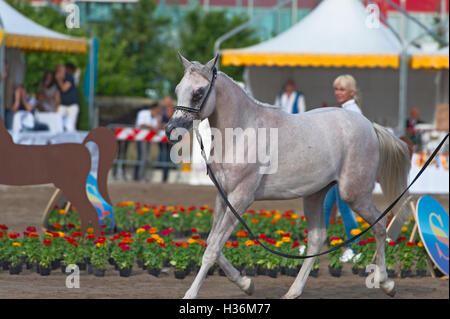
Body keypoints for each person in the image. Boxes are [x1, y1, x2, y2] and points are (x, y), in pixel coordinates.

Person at [323, 74, 362, 263]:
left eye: (342, 89)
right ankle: (314, 242)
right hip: (337, 168)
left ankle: (356, 247)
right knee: (325, 206)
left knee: (344, 208)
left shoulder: (352, 112)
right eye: (336, 89)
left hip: (345, 169)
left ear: (352, 92)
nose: (338, 93)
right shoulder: (345, 110)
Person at [134, 102, 163, 181]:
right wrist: (152, 127)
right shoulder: (143, 113)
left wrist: (157, 117)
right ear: (154, 108)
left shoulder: (158, 116)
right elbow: (141, 124)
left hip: (148, 139)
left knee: (146, 157)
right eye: (159, 108)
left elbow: (159, 126)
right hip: (140, 138)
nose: (160, 110)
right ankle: (139, 177)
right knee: (142, 157)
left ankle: (141, 176)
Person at [55, 64, 79, 132]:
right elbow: (57, 94)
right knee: (59, 125)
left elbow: (64, 88)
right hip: (62, 105)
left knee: (71, 126)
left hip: (72, 106)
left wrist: (59, 80)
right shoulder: (58, 81)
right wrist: (56, 106)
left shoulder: (69, 77)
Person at [159, 96, 175, 182]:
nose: (167, 103)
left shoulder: (174, 110)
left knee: (167, 156)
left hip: (171, 138)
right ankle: (164, 175)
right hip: (162, 138)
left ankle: (166, 176)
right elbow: (159, 123)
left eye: (169, 101)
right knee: (163, 155)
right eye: (166, 101)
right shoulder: (161, 110)